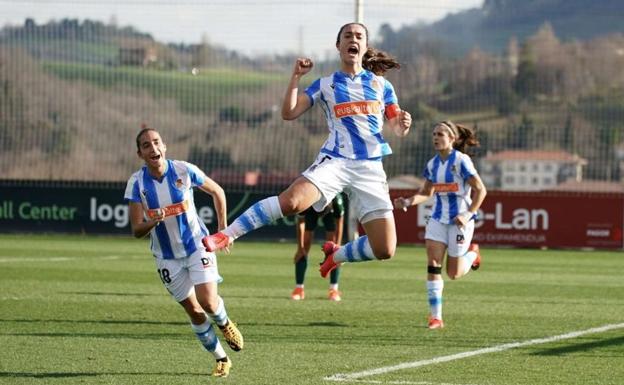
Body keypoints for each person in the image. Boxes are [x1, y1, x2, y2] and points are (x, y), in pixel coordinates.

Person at [203, 23, 412, 279]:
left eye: (359, 36)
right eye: (348, 36)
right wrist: (295, 77)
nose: (353, 40)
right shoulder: (325, 85)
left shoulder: (382, 86)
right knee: (291, 202)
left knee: (385, 249)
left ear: (365, 47)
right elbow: (289, 113)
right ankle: (225, 235)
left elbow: (396, 126)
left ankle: (336, 256)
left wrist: (402, 124)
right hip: (336, 161)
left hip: (370, 167)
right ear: (339, 46)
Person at [124, 126, 244, 377]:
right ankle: (221, 358)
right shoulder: (137, 183)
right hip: (166, 258)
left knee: (208, 301)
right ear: (140, 154)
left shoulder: (183, 170)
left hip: (196, 245)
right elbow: (136, 229)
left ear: (164, 146)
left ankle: (225, 323)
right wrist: (153, 220)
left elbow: (217, 192)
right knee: (194, 311)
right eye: (146, 145)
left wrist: (223, 230)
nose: (153, 147)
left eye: (156, 142)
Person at [393, 120, 487, 330]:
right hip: (437, 219)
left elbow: (481, 190)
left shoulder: (461, 161)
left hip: (459, 222)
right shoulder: (432, 164)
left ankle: (473, 254)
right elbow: (426, 193)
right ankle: (436, 317)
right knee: (433, 264)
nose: (436, 138)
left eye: (441, 134)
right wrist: (408, 201)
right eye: (434, 134)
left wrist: (468, 214)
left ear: (452, 138)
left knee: (453, 273)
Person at [291, 194, 345, 301]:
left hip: (329, 214)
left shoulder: (336, 200)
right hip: (311, 209)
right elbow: (301, 223)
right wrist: (300, 248)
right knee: (305, 245)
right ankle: (299, 289)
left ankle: (334, 289)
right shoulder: (305, 199)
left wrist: (338, 248)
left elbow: (340, 223)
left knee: (333, 249)